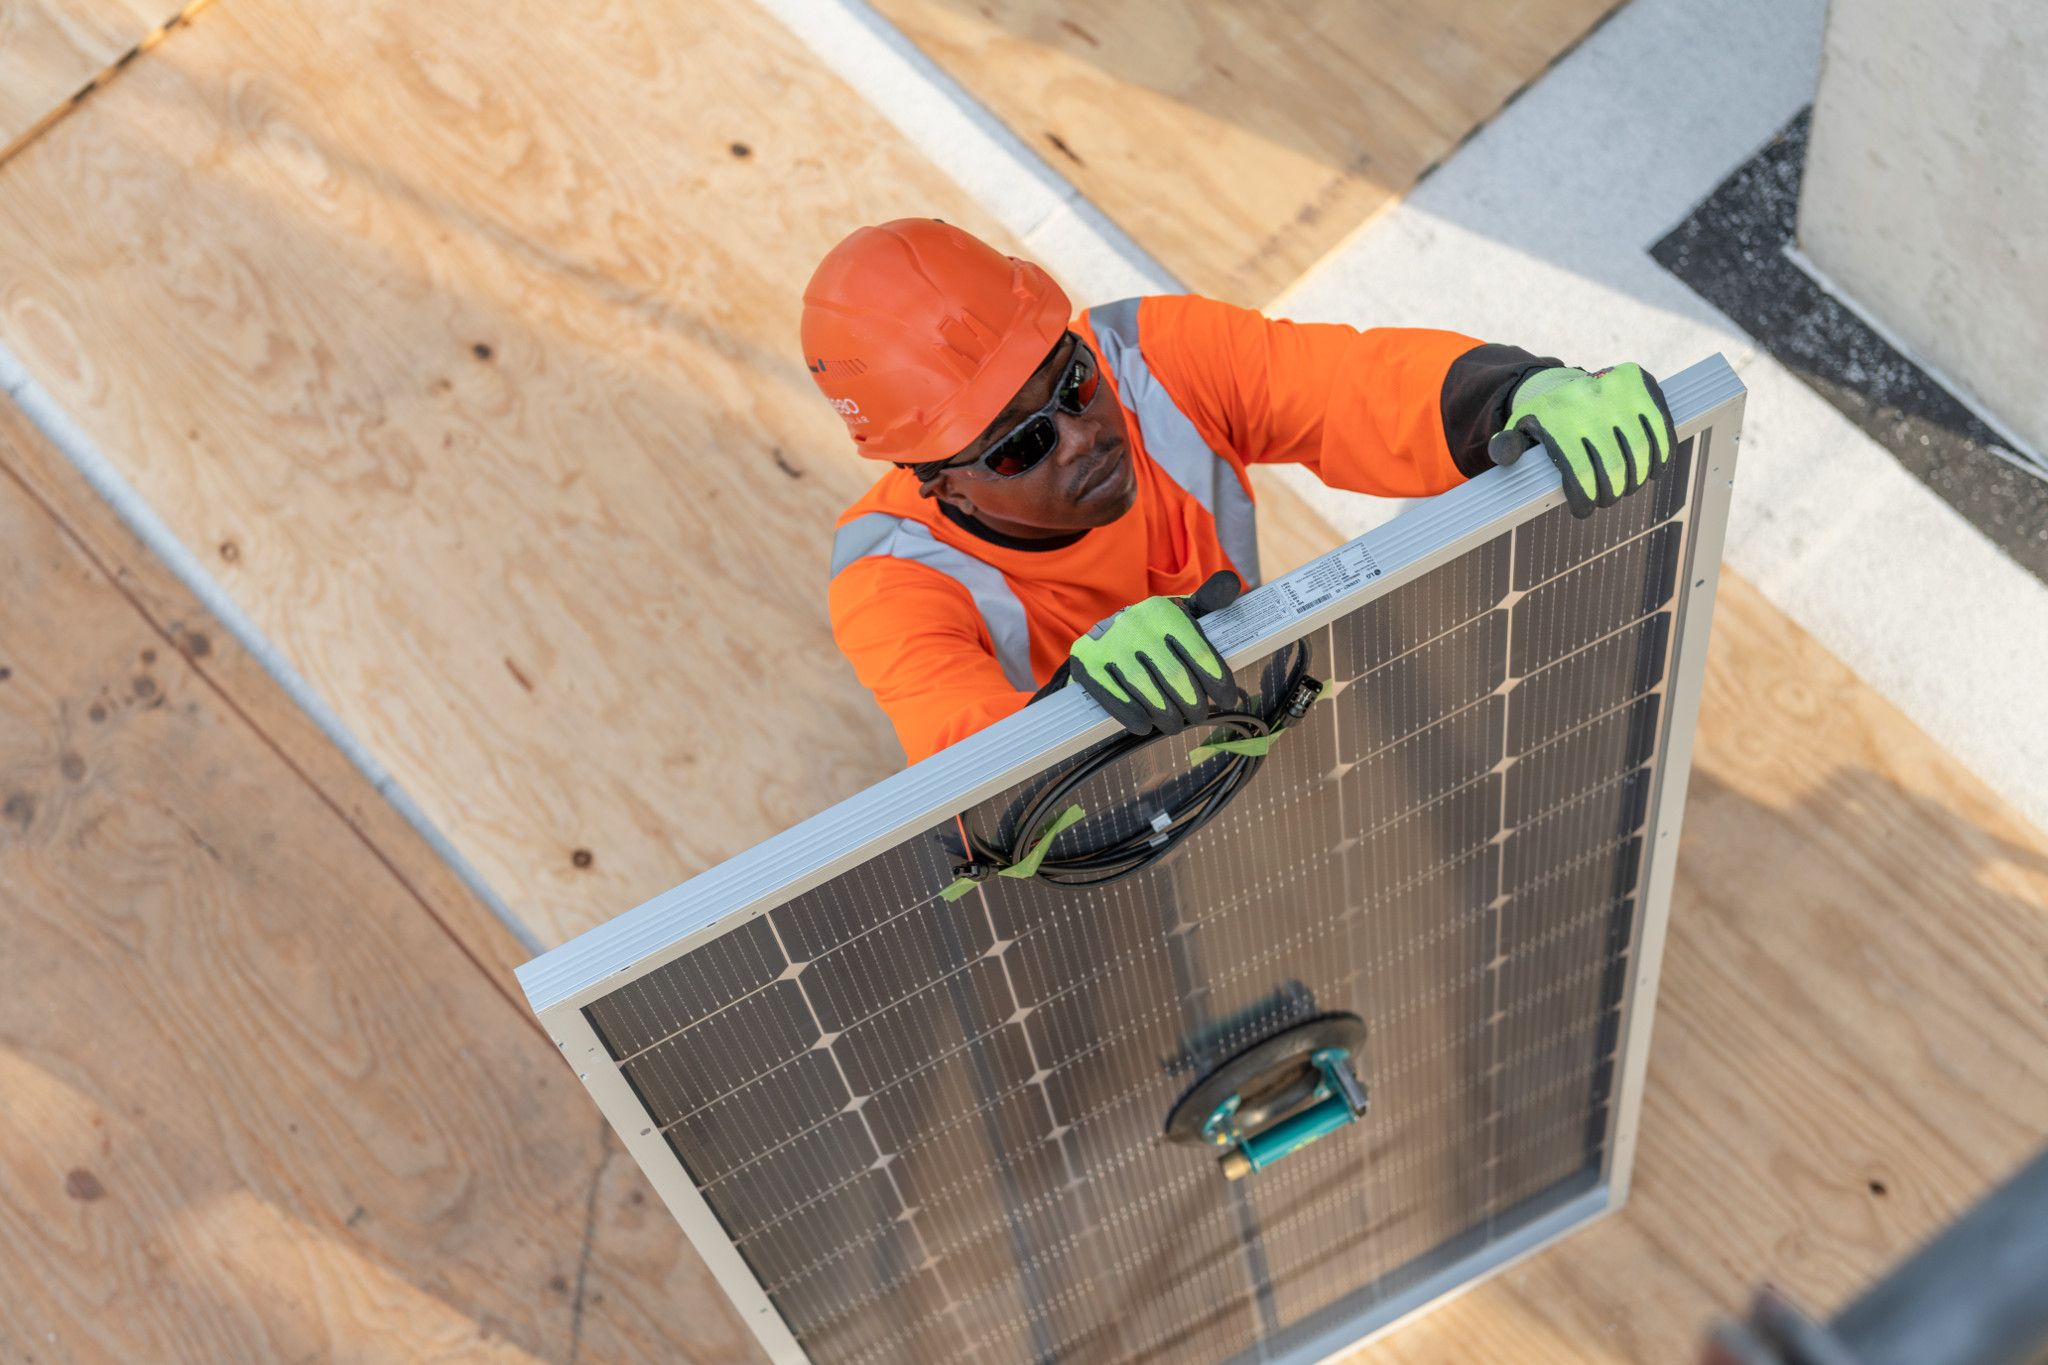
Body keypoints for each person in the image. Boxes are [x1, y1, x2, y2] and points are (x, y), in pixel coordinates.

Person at [805, 219, 1676, 764]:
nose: (1084, 436)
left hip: (1249, 705)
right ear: (938, 483)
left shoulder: (1154, 361)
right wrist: (1073, 697)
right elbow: (965, 761)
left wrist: (1511, 393)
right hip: (1106, 806)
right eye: (1022, 447)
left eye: (1071, 382)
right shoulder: (889, 582)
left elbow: (1352, 388)